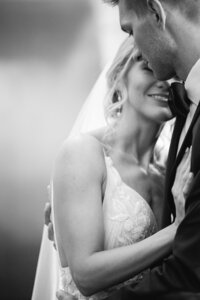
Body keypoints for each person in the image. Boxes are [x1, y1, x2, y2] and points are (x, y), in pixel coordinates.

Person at [47, 37, 191, 300]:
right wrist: (176, 230)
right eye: (147, 67)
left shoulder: (167, 177)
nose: (163, 81)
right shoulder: (83, 152)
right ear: (118, 77)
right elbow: (86, 275)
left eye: (172, 74)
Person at [86, 0, 200, 299]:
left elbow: (187, 270)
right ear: (118, 81)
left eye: (130, 30)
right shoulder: (87, 155)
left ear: (156, 11)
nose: (135, 45)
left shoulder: (163, 170)